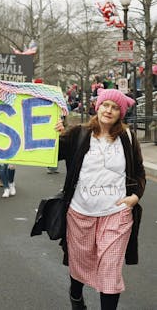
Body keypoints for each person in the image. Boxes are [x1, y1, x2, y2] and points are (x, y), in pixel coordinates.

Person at [56, 89, 145, 310]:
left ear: (120, 113)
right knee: (80, 263)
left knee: (110, 270)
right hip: (80, 213)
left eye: (115, 107)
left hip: (116, 214)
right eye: (106, 105)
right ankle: (76, 296)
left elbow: (140, 171)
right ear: (98, 106)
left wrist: (134, 197)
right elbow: (51, 153)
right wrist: (53, 135)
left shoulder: (127, 137)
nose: (109, 110)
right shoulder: (78, 133)